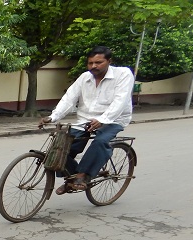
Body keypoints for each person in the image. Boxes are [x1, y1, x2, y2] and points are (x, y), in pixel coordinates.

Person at [38, 46, 134, 195]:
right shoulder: (84, 77)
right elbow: (69, 99)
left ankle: (83, 176)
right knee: (60, 147)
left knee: (101, 142)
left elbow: (120, 101)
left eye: (98, 62)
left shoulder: (123, 74)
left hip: (113, 119)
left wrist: (103, 119)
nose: (93, 66)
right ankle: (73, 178)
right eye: (90, 63)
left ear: (109, 61)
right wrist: (53, 117)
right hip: (85, 120)